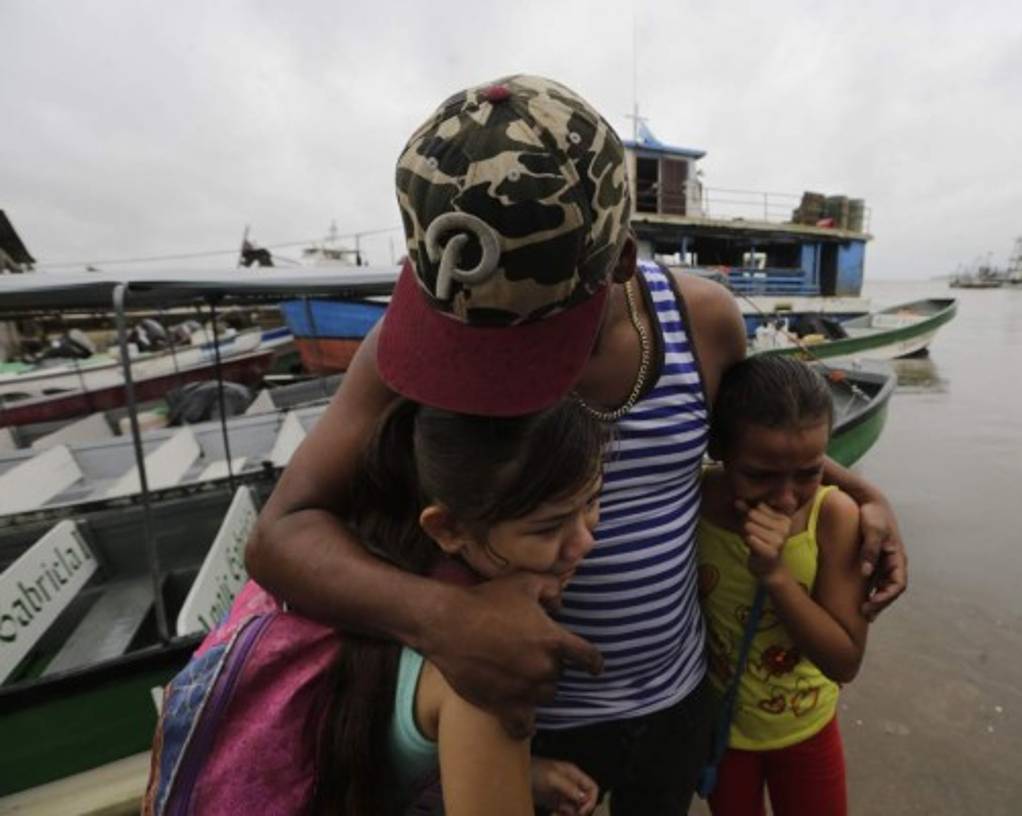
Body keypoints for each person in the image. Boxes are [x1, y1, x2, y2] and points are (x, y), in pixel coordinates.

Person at [245, 74, 907, 813]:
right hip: (523, 719)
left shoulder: (703, 323)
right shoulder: (414, 351)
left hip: (677, 695)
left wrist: (862, 493)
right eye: (472, 333)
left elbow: (754, 453)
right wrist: (444, 619)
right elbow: (280, 535)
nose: (495, 362)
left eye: (531, 331)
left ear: (619, 262)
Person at [147, 398, 606, 816]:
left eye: (592, 501)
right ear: (447, 529)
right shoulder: (489, 669)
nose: (585, 541)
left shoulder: (338, 574)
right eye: (547, 529)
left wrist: (516, 774)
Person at [698, 356, 868, 816]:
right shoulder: (695, 502)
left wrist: (775, 575)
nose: (786, 498)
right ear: (719, 450)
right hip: (723, 732)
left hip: (807, 729)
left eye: (809, 472)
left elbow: (844, 660)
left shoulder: (832, 517)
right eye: (759, 475)